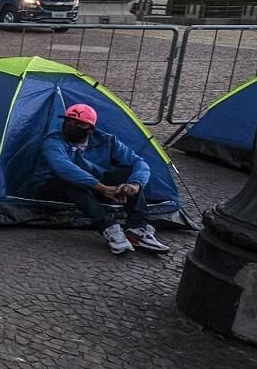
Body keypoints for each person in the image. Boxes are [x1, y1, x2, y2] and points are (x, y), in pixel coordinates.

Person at [28, 103, 170, 256]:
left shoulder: (107, 140)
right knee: (71, 180)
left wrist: (134, 185)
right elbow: (63, 167)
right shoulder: (54, 141)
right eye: (68, 121)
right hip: (52, 188)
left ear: (91, 129)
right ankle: (109, 227)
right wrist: (101, 187)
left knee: (130, 173)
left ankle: (137, 228)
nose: (71, 126)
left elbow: (139, 162)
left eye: (78, 124)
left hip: (93, 187)